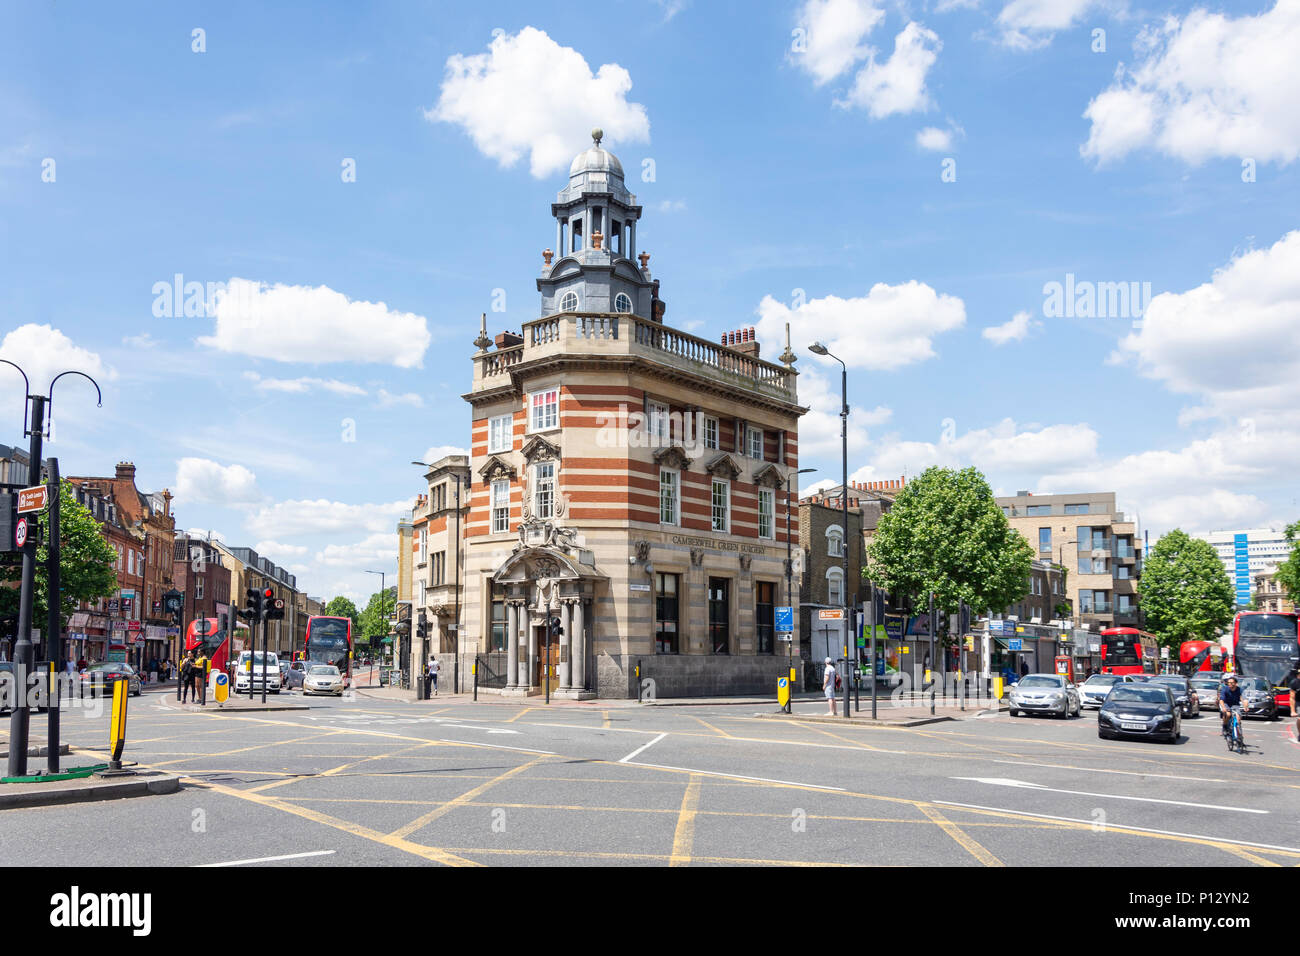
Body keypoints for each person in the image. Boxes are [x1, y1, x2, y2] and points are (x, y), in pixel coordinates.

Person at [1288, 669, 1300, 737]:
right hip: (1299, 702)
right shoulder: (1294, 683)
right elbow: (1292, 697)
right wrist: (1292, 711)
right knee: (1299, 718)